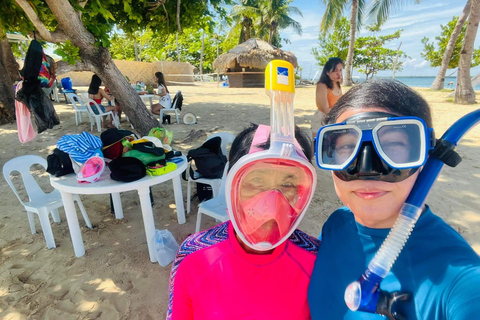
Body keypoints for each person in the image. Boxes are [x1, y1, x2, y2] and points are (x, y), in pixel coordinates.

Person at [308, 79, 480, 320]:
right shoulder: (336, 224)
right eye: (347, 146)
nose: (367, 168)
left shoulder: (462, 282)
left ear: (426, 155)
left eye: (392, 144)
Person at [166, 123, 320, 320]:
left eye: (288, 184)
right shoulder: (193, 256)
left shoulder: (316, 262)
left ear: (302, 191)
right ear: (232, 184)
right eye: (256, 181)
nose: (271, 204)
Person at [311, 57, 343, 138]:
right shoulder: (322, 85)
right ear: (328, 72)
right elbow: (325, 109)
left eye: (340, 70)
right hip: (322, 121)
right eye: (335, 71)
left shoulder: (337, 84)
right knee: (318, 147)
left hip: (334, 119)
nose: (339, 74)